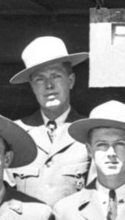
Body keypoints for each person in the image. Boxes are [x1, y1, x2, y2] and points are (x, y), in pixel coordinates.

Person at [8, 36, 92, 207]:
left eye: (56, 76)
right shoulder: (14, 132)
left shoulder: (89, 130)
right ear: (32, 86)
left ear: (70, 81)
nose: (49, 85)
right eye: (40, 79)